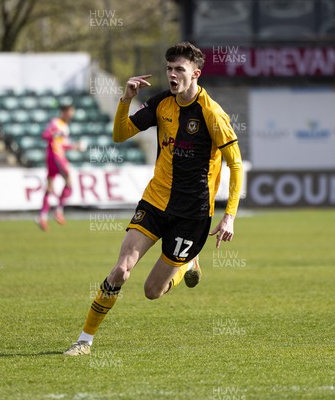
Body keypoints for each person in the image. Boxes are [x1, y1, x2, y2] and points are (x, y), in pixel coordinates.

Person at [64, 42, 243, 356]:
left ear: (196, 74)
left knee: (151, 291)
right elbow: (120, 135)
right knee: (120, 270)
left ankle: (187, 264)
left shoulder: (212, 113)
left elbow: (236, 164)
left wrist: (229, 215)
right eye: (169, 68)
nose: (172, 75)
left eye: (179, 70)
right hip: (155, 201)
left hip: (192, 214)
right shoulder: (162, 103)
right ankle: (84, 341)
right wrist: (126, 99)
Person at [37, 104, 84, 231]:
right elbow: (45, 135)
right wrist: (54, 133)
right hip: (55, 155)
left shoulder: (65, 127)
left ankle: (42, 216)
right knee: (68, 181)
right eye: (70, 111)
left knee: (50, 186)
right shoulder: (56, 123)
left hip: (54, 155)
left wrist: (75, 146)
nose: (72, 114)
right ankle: (58, 210)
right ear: (64, 112)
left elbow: (62, 144)